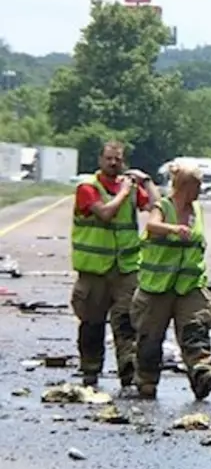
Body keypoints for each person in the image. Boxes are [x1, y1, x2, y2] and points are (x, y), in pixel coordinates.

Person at [71, 140, 159, 388]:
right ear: (100, 160)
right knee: (92, 323)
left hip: (125, 268)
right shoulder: (88, 188)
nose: (113, 163)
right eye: (109, 158)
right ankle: (90, 369)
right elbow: (105, 213)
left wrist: (146, 182)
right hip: (94, 270)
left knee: (128, 322)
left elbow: (157, 207)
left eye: (118, 159)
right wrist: (123, 191)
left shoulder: (131, 189)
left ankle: (128, 370)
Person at [131, 161, 211, 401]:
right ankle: (146, 381)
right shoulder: (164, 206)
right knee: (150, 338)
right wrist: (172, 228)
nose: (199, 190)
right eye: (196, 185)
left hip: (189, 285)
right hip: (157, 286)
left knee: (196, 329)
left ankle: (202, 374)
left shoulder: (198, 209)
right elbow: (152, 224)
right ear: (183, 186)